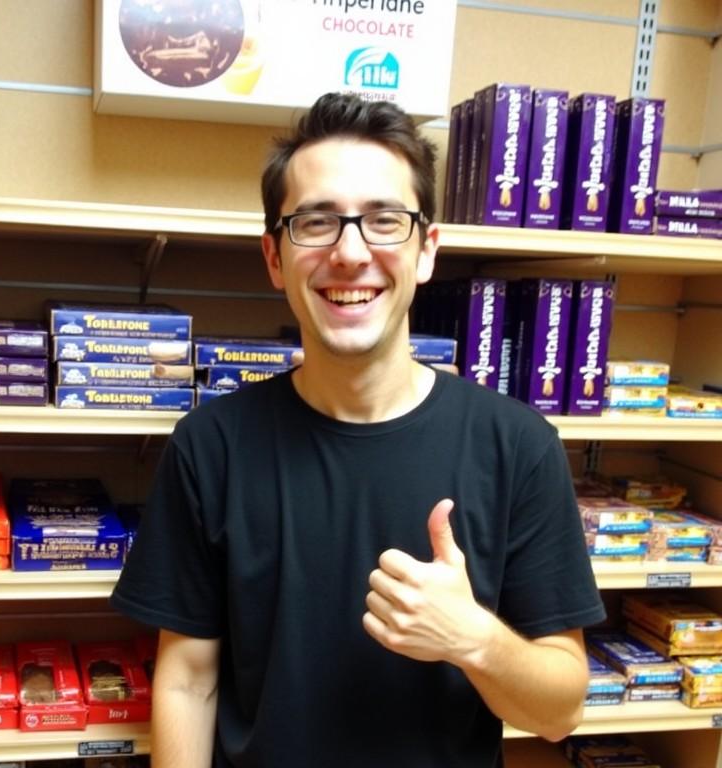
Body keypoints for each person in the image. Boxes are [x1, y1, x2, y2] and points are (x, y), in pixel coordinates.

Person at [110, 92, 606, 768]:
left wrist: (474, 640)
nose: (350, 253)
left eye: (384, 220)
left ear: (426, 250)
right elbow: (187, 680)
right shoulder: (211, 445)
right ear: (274, 256)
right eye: (316, 222)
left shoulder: (517, 446)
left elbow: (558, 712)